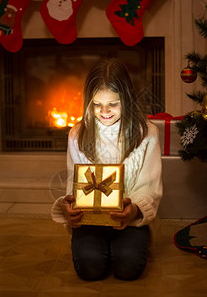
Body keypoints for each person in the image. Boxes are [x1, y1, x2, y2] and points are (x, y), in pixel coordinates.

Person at [51, 59, 163, 281]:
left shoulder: (147, 134)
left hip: (128, 218)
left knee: (128, 269)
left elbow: (149, 185)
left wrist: (134, 210)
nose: (104, 111)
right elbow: (75, 182)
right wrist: (69, 206)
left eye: (113, 104)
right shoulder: (77, 134)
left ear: (127, 99)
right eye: (97, 104)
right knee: (90, 269)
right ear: (88, 102)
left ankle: (132, 242)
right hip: (90, 220)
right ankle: (101, 246)